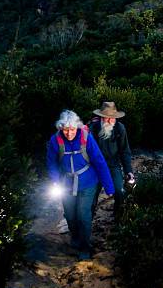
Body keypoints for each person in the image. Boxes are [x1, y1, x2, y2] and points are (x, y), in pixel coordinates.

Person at [47, 110, 115, 260]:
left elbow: (99, 162)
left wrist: (109, 187)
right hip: (66, 183)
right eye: (65, 129)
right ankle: (76, 239)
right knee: (70, 215)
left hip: (88, 182)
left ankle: (85, 247)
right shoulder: (55, 141)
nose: (69, 133)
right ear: (61, 128)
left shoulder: (86, 138)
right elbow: (51, 163)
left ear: (76, 127)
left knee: (83, 215)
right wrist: (55, 179)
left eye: (71, 129)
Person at [89, 101, 134, 216]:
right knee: (91, 195)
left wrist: (128, 170)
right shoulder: (93, 128)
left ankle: (118, 217)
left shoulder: (119, 128)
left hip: (113, 165)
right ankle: (87, 220)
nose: (109, 120)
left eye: (112, 118)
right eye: (106, 118)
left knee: (119, 191)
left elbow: (125, 150)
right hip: (96, 167)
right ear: (101, 117)